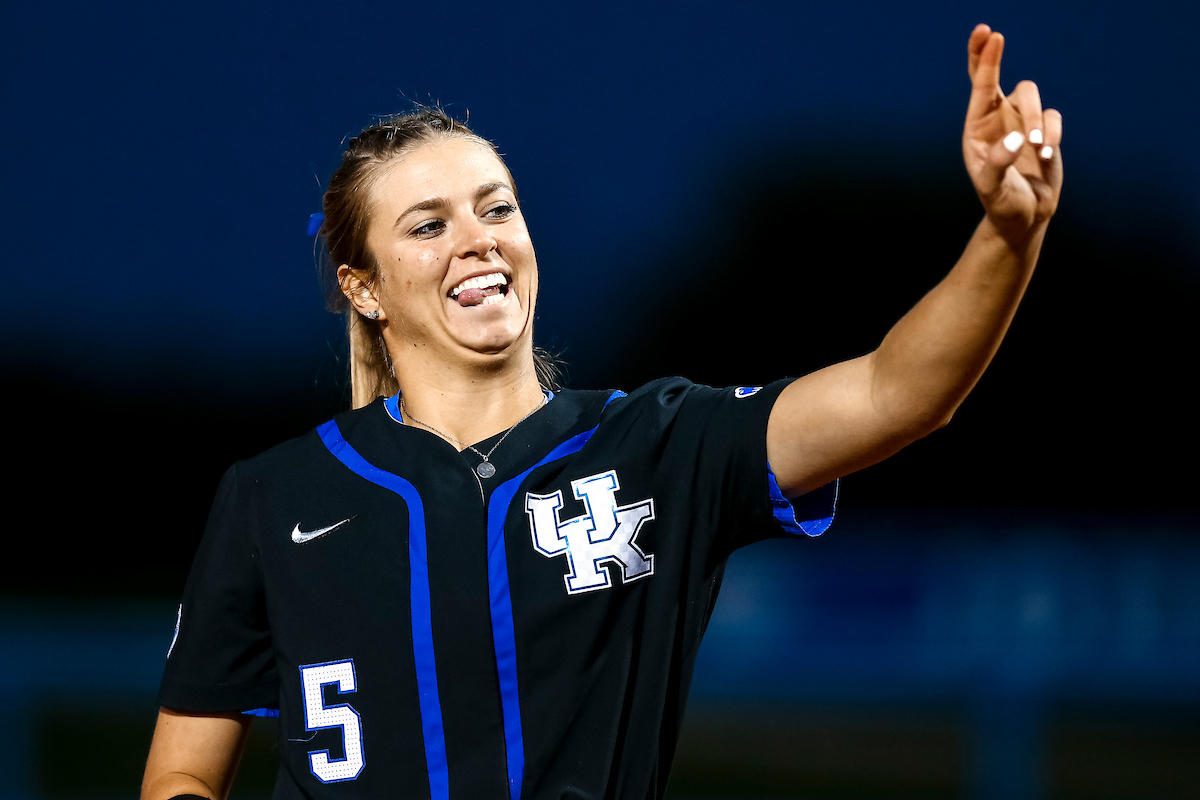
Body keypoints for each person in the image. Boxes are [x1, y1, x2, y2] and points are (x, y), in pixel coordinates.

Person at [142, 23, 1062, 800]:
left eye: (495, 207)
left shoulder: (655, 445)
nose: (478, 241)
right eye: (428, 226)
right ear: (363, 287)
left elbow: (896, 393)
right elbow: (180, 779)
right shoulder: (276, 497)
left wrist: (1006, 239)